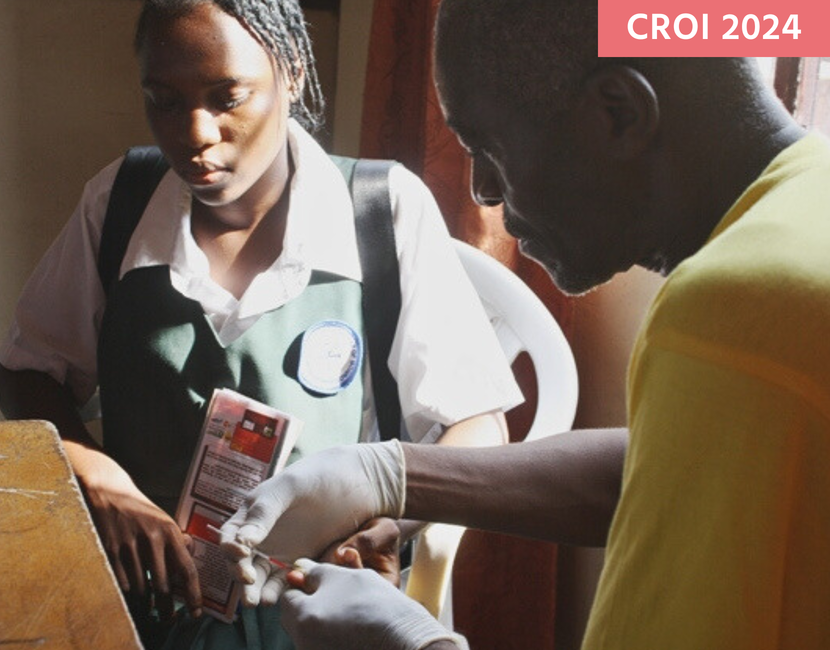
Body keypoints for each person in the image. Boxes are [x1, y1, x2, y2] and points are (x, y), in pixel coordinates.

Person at [219, 0, 830, 648]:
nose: (481, 188)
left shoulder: (729, 318)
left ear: (618, 114)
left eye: (490, 146)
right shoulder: (808, 204)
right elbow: (672, 466)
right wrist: (389, 474)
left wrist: (410, 641)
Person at [0, 0, 523, 649]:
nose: (194, 132)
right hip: (147, 608)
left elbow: (478, 423)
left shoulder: (381, 214)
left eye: (227, 97)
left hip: (319, 608)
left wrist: (392, 517)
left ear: (291, 71)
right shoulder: (121, 204)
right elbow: (25, 374)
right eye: (163, 98)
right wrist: (104, 484)